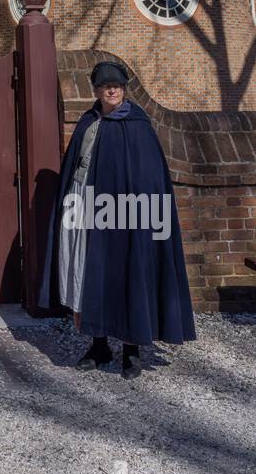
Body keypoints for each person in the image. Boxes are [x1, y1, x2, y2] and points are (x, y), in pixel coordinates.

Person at [39, 61, 196, 377]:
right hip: (84, 207)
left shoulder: (137, 124)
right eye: (105, 86)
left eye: (117, 85)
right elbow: (76, 167)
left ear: (124, 88)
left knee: (128, 272)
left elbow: (151, 179)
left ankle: (131, 350)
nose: (111, 90)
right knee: (90, 273)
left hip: (126, 214)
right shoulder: (89, 122)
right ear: (96, 90)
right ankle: (98, 345)